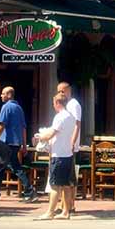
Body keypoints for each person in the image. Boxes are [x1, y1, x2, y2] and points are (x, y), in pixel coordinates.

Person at [0, 86, 36, 202]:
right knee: (1, 166)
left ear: (9, 95)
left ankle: (29, 189)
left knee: (15, 167)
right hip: (16, 142)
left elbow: (2, 124)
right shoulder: (19, 108)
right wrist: (24, 144)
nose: (1, 95)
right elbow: (24, 127)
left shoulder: (6, 107)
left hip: (7, 142)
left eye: (3, 93)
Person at [36, 92, 77, 221]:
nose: (53, 105)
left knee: (54, 185)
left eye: (54, 103)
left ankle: (50, 212)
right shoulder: (71, 117)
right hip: (68, 154)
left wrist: (39, 137)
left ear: (58, 103)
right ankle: (66, 211)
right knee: (66, 185)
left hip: (58, 155)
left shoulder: (60, 117)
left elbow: (50, 135)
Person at [58, 81, 82, 211]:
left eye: (62, 91)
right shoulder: (66, 105)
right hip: (64, 145)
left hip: (71, 146)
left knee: (70, 177)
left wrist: (73, 142)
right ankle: (65, 204)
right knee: (66, 177)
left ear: (69, 90)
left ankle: (70, 204)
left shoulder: (74, 105)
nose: (60, 94)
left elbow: (77, 124)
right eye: (59, 91)